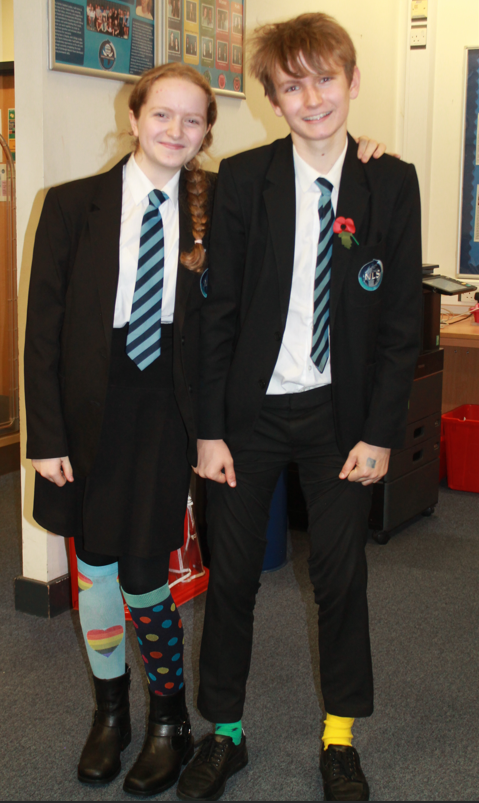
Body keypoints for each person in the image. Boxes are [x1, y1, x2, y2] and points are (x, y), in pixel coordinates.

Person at [178, 12, 422, 803]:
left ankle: (341, 737)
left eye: (325, 78)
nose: (311, 96)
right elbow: (217, 314)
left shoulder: (390, 180)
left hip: (339, 417)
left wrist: (381, 433)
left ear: (351, 82)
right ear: (272, 100)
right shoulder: (244, 180)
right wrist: (209, 429)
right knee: (235, 579)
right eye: (291, 85)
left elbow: (396, 324)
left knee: (342, 577)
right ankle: (226, 734)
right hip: (248, 418)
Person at [24, 63, 217, 797]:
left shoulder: (218, 205)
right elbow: (41, 333)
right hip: (88, 407)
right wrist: (45, 435)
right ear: (133, 118)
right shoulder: (73, 205)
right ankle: (112, 715)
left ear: (204, 133)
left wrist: (364, 148)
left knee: (143, 568)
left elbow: (299, 188)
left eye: (191, 120)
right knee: (95, 563)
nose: (175, 130)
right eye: (161, 115)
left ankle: (169, 718)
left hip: (167, 405)